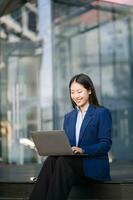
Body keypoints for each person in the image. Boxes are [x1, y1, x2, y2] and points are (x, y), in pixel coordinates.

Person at [29, 73, 112, 200]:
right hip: (72, 166)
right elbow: (67, 144)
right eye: (72, 92)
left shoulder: (101, 113)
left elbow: (105, 144)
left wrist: (83, 150)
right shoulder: (69, 117)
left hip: (92, 166)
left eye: (79, 91)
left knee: (63, 161)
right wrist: (53, 148)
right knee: (52, 159)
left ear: (89, 90)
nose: (75, 96)